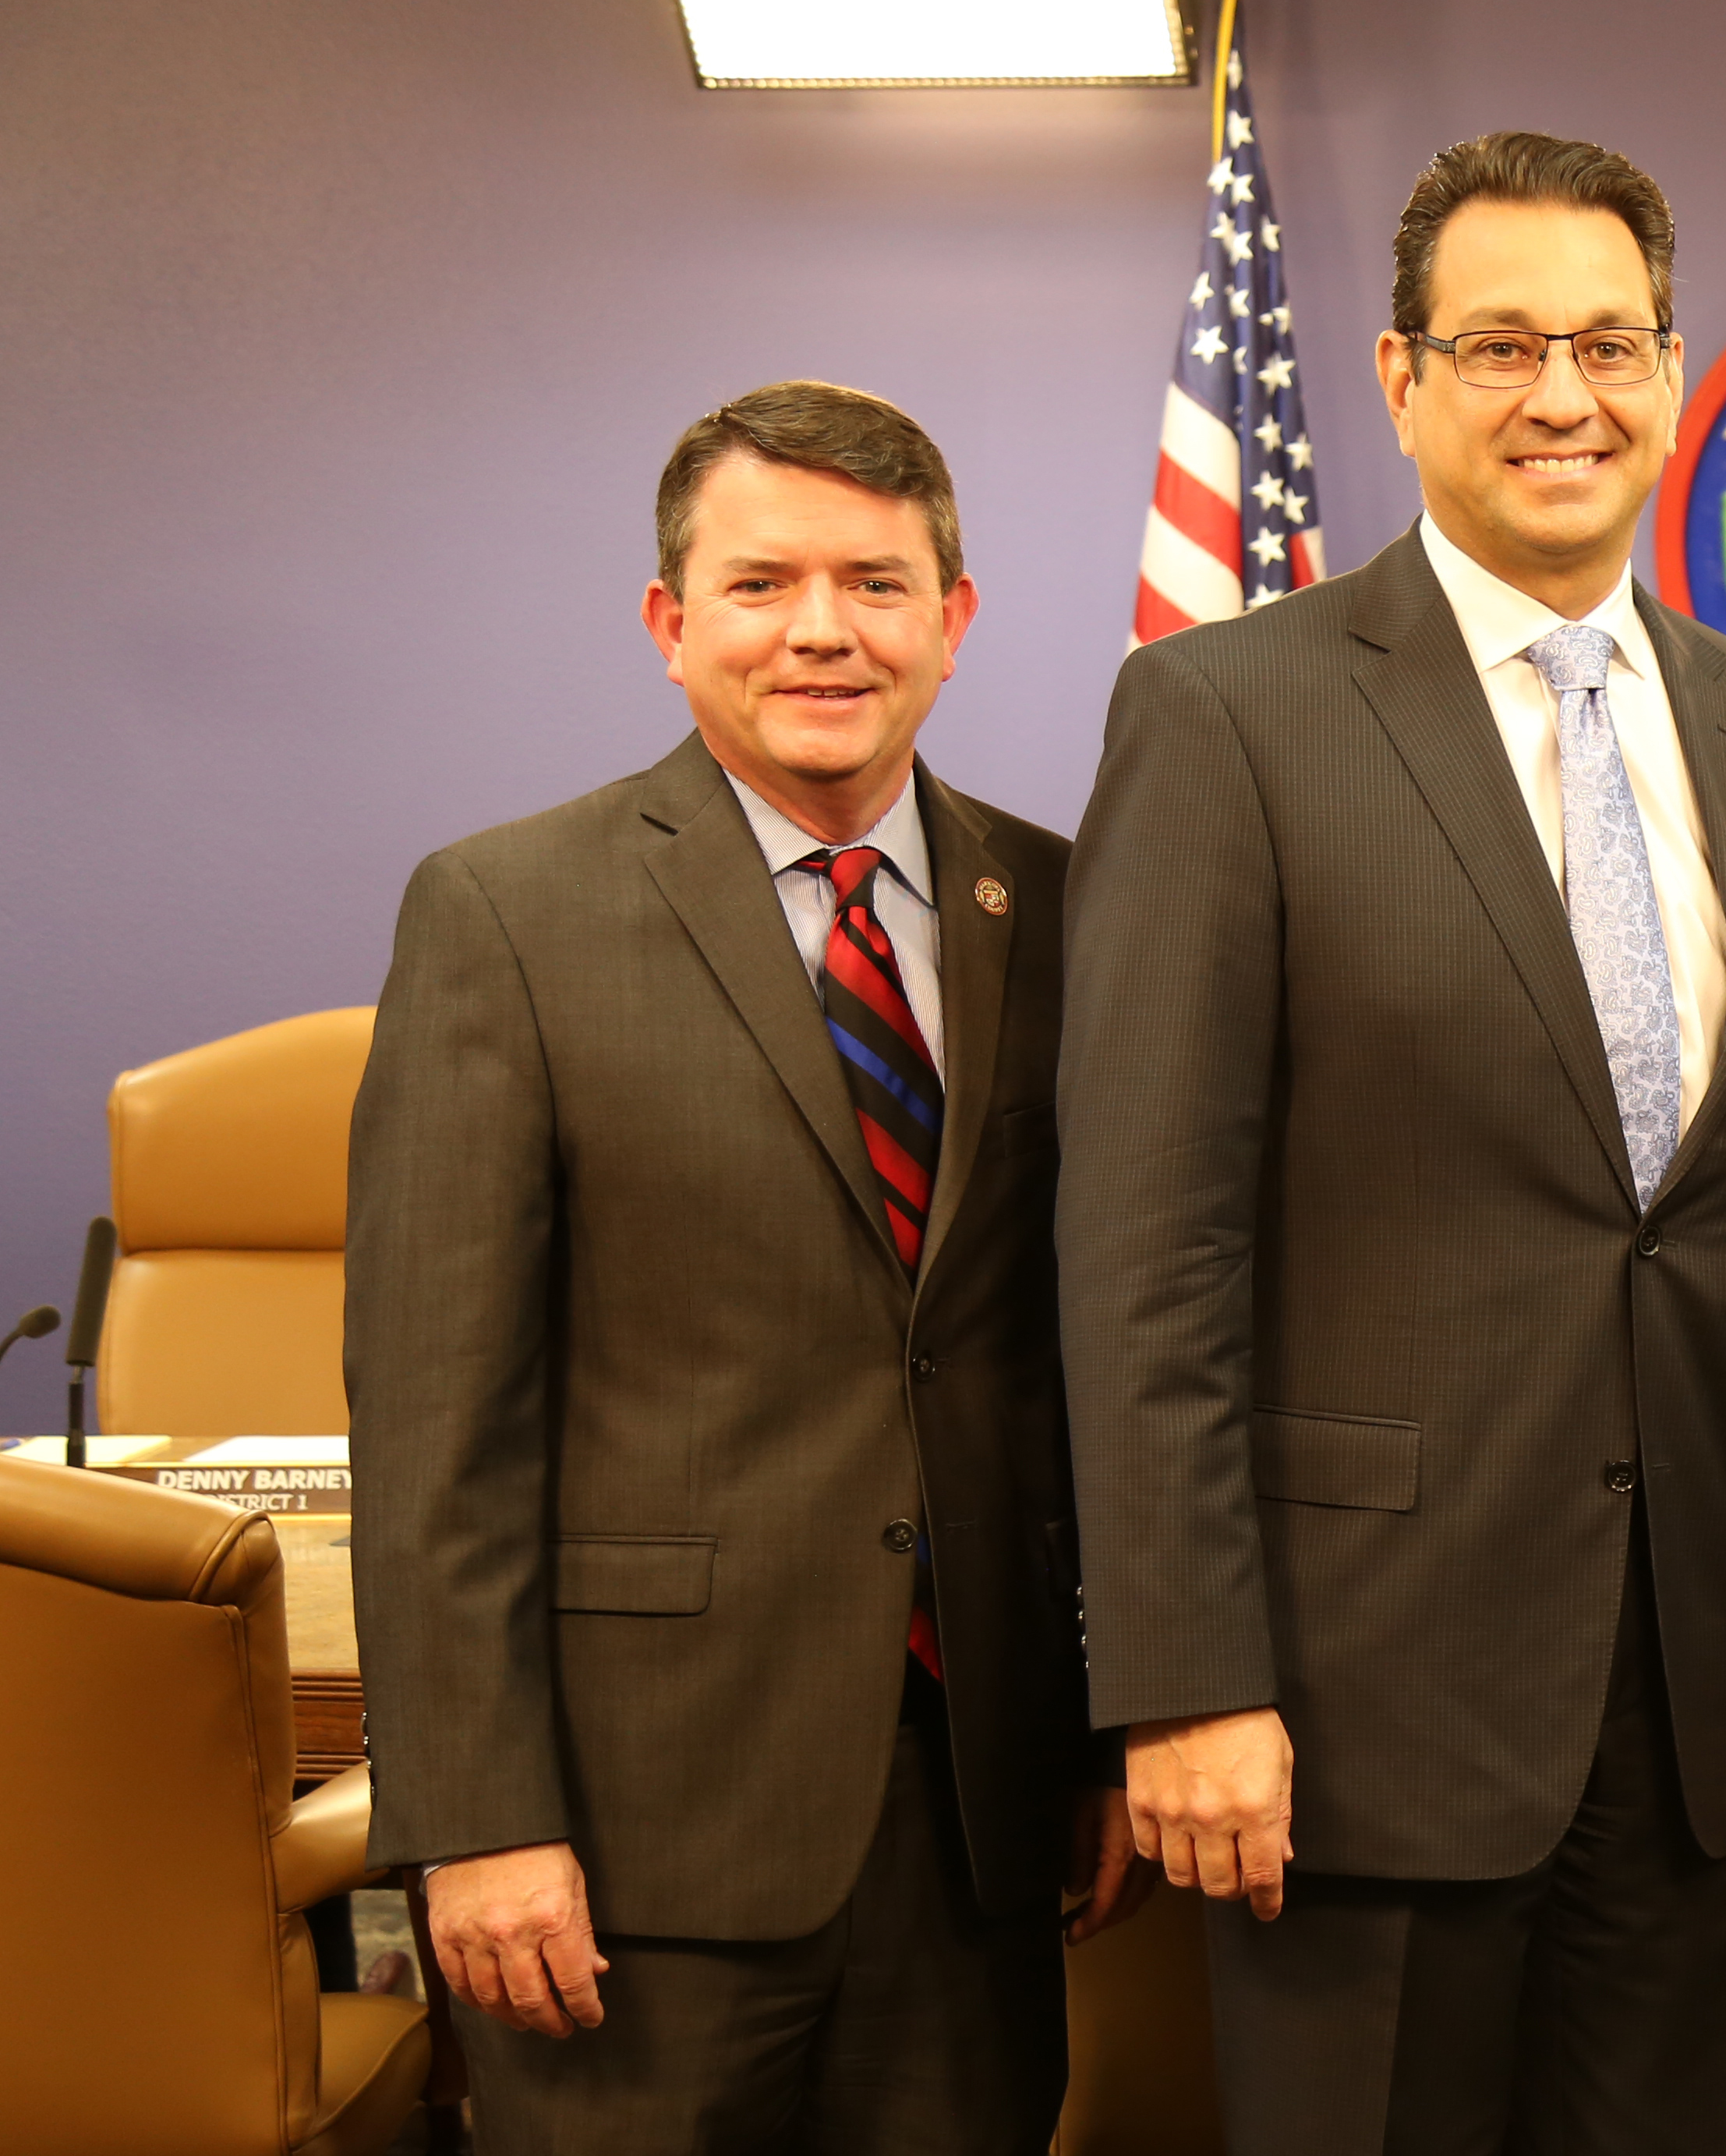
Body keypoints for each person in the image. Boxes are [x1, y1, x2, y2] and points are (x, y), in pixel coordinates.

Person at [1058, 130, 1726, 2156]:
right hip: (1352, 1711)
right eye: (1501, 344)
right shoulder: (1225, 714)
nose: (1562, 396)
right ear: (1402, 376)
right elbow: (1145, 1245)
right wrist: (1184, 1679)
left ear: (1675, 375)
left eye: (1609, 344)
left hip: (1695, 1720)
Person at [348, 381, 1138, 2152]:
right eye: (761, 581)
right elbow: (436, 1419)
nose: (821, 632)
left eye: (875, 580)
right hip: (632, 1842)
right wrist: (476, 1815)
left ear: (955, 618)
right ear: (669, 622)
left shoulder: (1076, 907)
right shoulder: (506, 914)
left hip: (977, 1820)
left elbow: (1085, 1365)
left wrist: (1101, 1734)